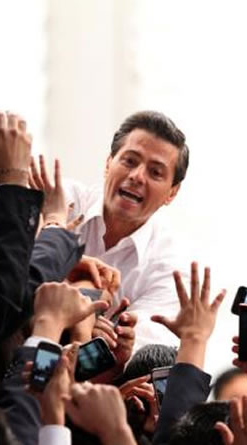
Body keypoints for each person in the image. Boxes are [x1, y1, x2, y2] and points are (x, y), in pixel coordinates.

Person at [63, 111, 190, 349]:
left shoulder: (171, 271)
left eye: (155, 172)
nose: (137, 176)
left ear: (172, 193)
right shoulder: (62, 201)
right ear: (108, 163)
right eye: (129, 161)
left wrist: (104, 335)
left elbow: (135, 348)